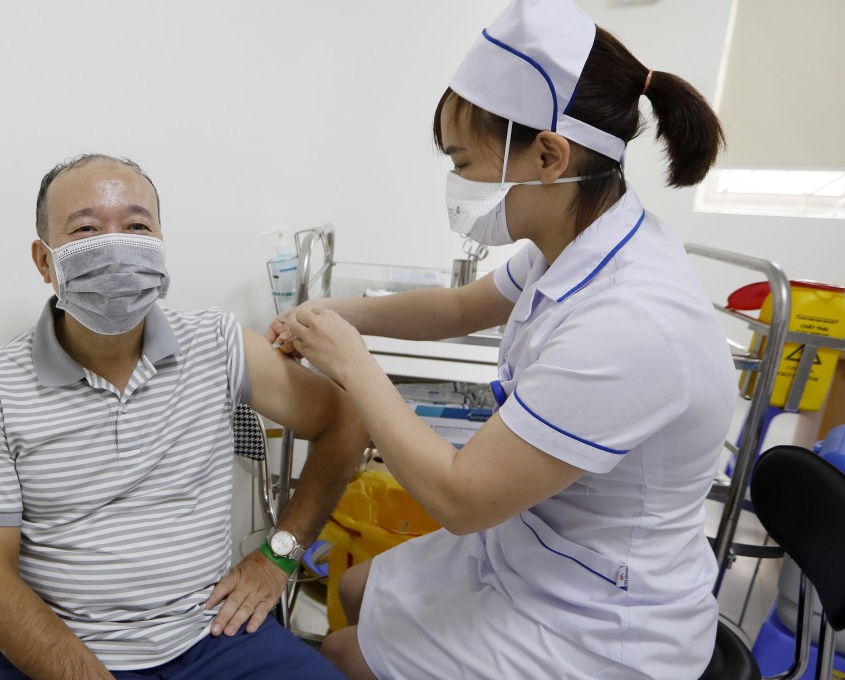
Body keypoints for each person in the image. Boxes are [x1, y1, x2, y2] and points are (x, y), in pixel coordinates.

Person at [267, 0, 737, 677]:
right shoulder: (577, 240)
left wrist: (351, 360)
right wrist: (331, 311)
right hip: (537, 546)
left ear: (550, 155)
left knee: (340, 651)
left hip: (599, 625)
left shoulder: (633, 325)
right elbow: (459, 307)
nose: (457, 183)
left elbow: (461, 498)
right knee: (351, 587)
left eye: (464, 161)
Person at [0, 153, 368, 679]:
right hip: (64, 653)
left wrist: (280, 555)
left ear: (161, 245)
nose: (116, 247)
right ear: (44, 261)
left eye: (137, 225)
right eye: (86, 229)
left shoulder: (218, 343)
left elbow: (344, 421)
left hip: (215, 637)